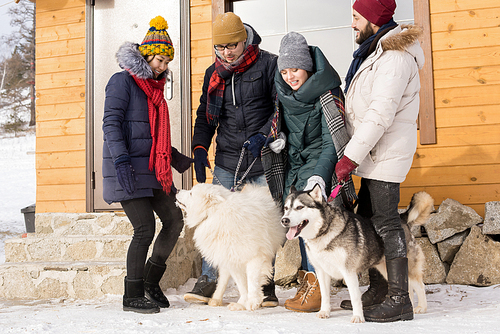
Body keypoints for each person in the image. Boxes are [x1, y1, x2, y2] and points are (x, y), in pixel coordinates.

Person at [335, 0, 424, 322]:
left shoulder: (395, 59)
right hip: (373, 153)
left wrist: (349, 156)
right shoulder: (376, 53)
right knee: (369, 217)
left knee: (386, 222)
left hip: (385, 153)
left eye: (357, 17)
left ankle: (400, 299)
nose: (353, 24)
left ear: (374, 20)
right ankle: (380, 289)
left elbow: (379, 115)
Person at [184, 12, 279, 307]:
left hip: (262, 156)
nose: (227, 52)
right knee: (216, 222)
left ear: (245, 39)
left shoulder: (268, 64)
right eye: (221, 47)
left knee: (263, 221)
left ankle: (266, 285)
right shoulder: (213, 73)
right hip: (227, 157)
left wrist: (264, 135)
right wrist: (200, 146)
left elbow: (280, 108)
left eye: (233, 45)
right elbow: (205, 115)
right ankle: (209, 279)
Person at [102, 16, 194, 314]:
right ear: (145, 54)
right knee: (144, 228)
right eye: (158, 59)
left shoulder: (155, 90)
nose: (163, 66)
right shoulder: (123, 81)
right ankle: (132, 295)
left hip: (152, 170)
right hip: (127, 169)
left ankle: (151, 283)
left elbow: (151, 136)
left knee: (174, 220)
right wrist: (122, 161)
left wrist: (176, 157)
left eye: (167, 61)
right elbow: (111, 124)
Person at [263, 32, 357, 313]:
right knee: (302, 227)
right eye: (285, 69)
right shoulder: (281, 91)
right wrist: (278, 138)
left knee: (317, 227)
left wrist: (319, 175)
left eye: (295, 69)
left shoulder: (326, 92)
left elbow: (333, 139)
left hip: (320, 166)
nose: (290, 75)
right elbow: (284, 125)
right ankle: (310, 281)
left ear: (308, 67)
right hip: (295, 165)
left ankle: (318, 285)